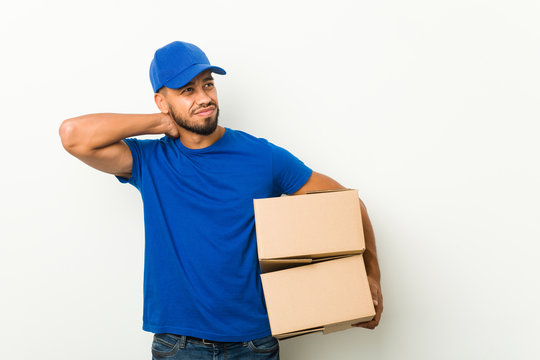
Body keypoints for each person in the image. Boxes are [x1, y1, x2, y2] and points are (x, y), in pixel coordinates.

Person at [59, 40, 383, 360]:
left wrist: (371, 276)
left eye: (208, 85)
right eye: (187, 90)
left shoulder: (261, 156)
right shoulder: (150, 160)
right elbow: (73, 135)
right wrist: (158, 123)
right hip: (178, 346)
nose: (204, 98)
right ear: (162, 100)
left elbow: (348, 203)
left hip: (255, 343)